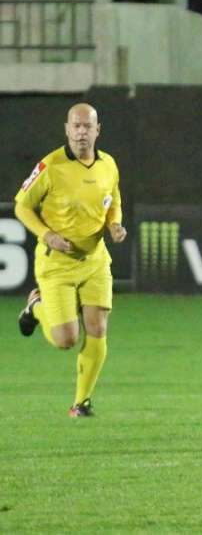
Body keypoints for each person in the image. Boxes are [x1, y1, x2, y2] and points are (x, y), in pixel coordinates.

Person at [14, 103, 128, 417]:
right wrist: (46, 234)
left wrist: (114, 223)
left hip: (94, 260)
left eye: (86, 126)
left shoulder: (109, 165)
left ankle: (81, 402)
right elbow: (22, 206)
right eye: (75, 126)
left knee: (98, 325)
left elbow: (113, 199)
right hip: (57, 263)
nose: (81, 132)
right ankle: (36, 306)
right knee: (66, 339)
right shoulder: (50, 166)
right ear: (67, 129)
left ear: (97, 130)